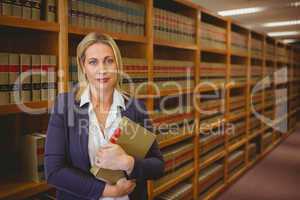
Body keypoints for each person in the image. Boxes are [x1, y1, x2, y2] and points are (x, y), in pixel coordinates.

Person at [44, 32, 164, 200]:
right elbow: (54, 171)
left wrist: (128, 163)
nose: (103, 69)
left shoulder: (136, 108)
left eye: (109, 60)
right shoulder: (65, 106)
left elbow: (158, 166)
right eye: (93, 62)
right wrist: (109, 191)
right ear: (83, 66)